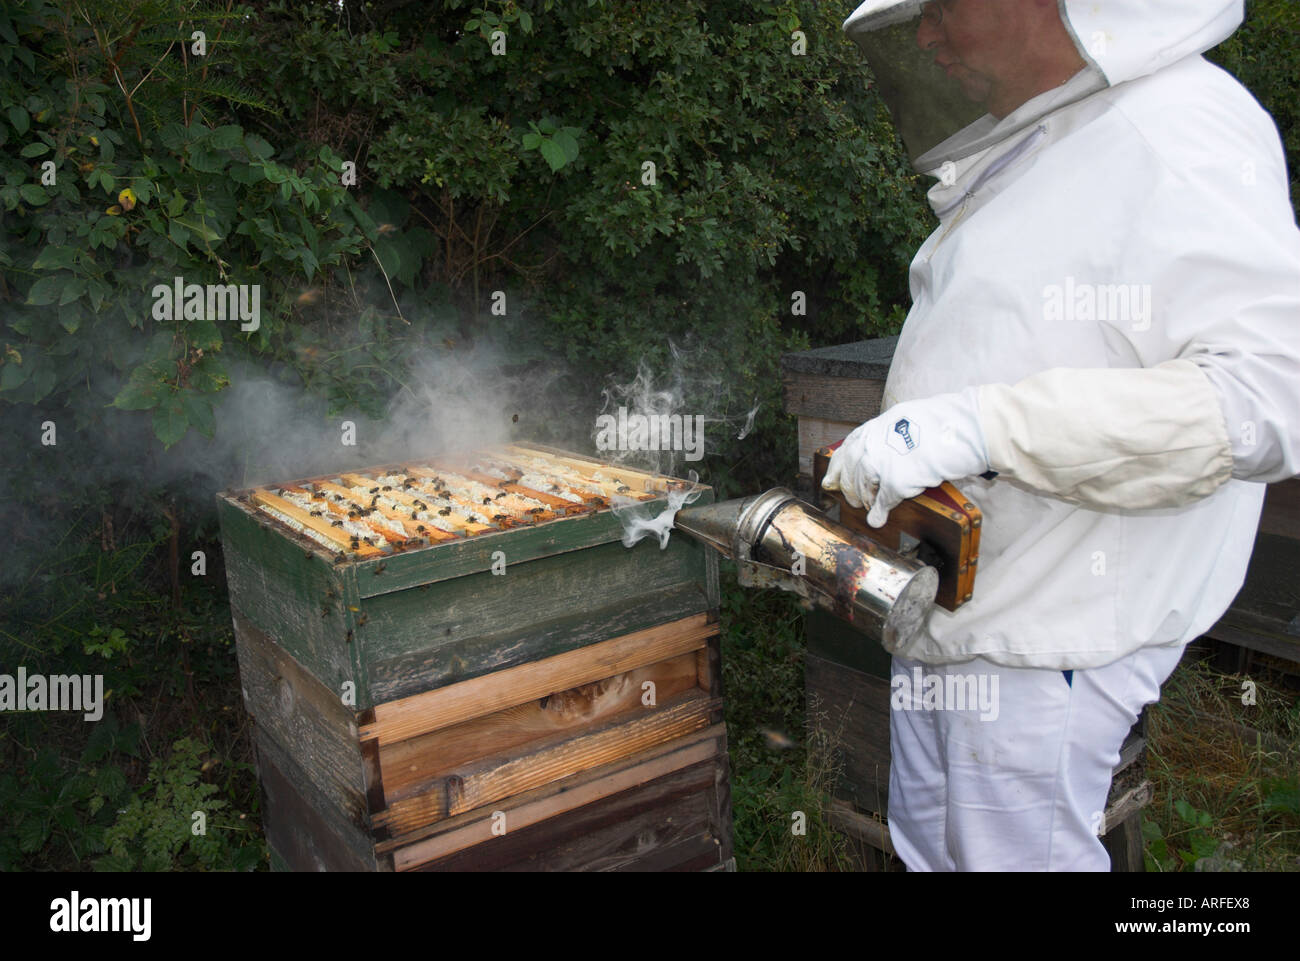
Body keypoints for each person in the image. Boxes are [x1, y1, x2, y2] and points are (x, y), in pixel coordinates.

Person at [823, 0, 1300, 870]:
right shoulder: (1052, 137)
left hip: (1052, 636)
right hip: (957, 614)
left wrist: (984, 425)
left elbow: (1264, 398)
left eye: (940, 9)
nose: (927, 37)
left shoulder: (1180, 128)